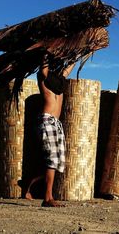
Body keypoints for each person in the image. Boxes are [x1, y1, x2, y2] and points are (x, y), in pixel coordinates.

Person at [24, 62, 75, 207]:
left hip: (57, 124)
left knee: (57, 163)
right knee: (52, 160)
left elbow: (67, 69)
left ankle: (28, 182)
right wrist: (45, 52)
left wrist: (82, 52)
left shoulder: (59, 83)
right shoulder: (45, 80)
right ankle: (47, 198)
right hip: (46, 121)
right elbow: (44, 70)